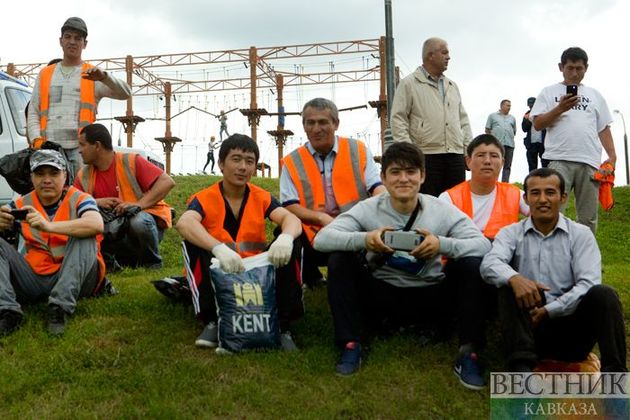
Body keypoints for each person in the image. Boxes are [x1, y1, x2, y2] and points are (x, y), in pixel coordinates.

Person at [313, 142, 492, 389]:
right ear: (384, 179)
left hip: (432, 294)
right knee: (339, 259)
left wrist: (440, 244)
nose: (404, 179)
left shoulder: (441, 210)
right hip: (382, 294)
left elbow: (483, 245)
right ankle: (351, 343)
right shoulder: (368, 208)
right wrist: (366, 239)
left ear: (423, 176)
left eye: (411, 172)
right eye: (395, 172)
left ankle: (468, 351)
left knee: (472, 264)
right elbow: (321, 240)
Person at [480, 168, 626, 372]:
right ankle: (521, 372)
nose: (542, 200)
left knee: (604, 294)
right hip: (528, 330)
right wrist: (514, 278)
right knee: (508, 285)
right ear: (526, 198)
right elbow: (489, 263)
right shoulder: (511, 233)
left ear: (563, 197)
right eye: (535, 193)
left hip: (572, 331)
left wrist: (550, 310)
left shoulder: (580, 235)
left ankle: (615, 375)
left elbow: (589, 283)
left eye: (550, 192)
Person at [176, 134, 304, 350]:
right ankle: (212, 320)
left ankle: (283, 326)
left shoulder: (261, 196)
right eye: (236, 159)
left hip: (256, 273)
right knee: (193, 241)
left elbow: (291, 219)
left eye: (249, 161)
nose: (243, 167)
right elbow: (184, 223)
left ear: (254, 167)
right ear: (221, 164)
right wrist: (217, 248)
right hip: (220, 271)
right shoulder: (204, 198)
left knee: (295, 241)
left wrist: (286, 237)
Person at [280, 97, 385, 287]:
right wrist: (321, 219)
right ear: (303, 125)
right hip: (313, 230)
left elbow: (376, 187)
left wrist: (383, 206)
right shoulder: (291, 161)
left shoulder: (358, 150)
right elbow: (289, 205)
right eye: (310, 123)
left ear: (336, 124)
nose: (316, 129)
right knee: (285, 231)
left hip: (354, 228)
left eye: (323, 122)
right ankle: (305, 281)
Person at [0, 150, 106, 336]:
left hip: (77, 278)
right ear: (31, 177)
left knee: (86, 234)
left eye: (54, 173)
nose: (46, 180)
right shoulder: (22, 203)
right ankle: (8, 312)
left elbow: (96, 224)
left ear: (65, 175)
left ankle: (59, 308)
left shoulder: (81, 198)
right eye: (40, 174)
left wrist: (48, 226)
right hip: (34, 277)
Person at [27, 17, 131, 182]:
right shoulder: (45, 74)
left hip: (82, 151)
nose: (72, 42)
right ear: (60, 41)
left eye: (78, 38)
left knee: (80, 198)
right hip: (49, 147)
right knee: (50, 196)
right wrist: (36, 140)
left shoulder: (92, 74)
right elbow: (33, 110)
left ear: (85, 43)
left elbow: (125, 93)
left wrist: (105, 77)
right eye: (68, 37)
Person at [530, 47, 616, 234]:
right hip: (559, 160)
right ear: (561, 67)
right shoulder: (548, 91)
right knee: (552, 212)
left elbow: (603, 128)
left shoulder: (595, 95)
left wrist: (612, 156)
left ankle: (585, 260)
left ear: (586, 68)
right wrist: (560, 108)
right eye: (570, 68)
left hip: (589, 162)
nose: (575, 73)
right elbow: (537, 124)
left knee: (588, 218)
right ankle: (549, 256)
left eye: (579, 68)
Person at [74, 123, 175, 270]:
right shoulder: (83, 175)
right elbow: (71, 203)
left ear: (97, 145)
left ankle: (152, 264)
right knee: (88, 224)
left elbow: (167, 182)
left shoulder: (131, 161)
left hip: (144, 226)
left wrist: (138, 205)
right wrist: (95, 202)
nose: (79, 150)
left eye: (82, 145)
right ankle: (112, 264)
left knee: (138, 221)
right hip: (116, 232)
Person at [390, 37, 473, 196]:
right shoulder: (409, 84)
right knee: (427, 206)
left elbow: (463, 120)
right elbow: (398, 119)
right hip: (426, 156)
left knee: (455, 206)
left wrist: (467, 151)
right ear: (430, 55)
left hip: (455, 156)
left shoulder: (452, 85)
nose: (448, 57)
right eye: (444, 53)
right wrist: (410, 153)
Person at [440, 134, 529, 240]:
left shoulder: (516, 195)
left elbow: (546, 217)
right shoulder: (449, 198)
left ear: (502, 162)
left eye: (494, 156)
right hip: (462, 254)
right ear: (468, 162)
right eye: (481, 155)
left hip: (506, 254)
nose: (487, 161)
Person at [485, 100, 516, 182]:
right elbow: (487, 129)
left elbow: (514, 131)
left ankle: (505, 184)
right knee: (494, 164)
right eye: (507, 105)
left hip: (510, 145)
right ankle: (492, 182)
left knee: (507, 166)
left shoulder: (512, 118)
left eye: (510, 106)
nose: (509, 107)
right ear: (502, 106)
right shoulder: (492, 116)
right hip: (497, 145)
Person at [522, 97, 547, 171]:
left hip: (543, 143)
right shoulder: (527, 114)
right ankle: (532, 182)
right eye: (530, 105)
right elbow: (524, 129)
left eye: (533, 105)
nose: (531, 106)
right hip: (531, 144)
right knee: (532, 166)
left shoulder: (543, 113)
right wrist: (528, 119)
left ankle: (545, 181)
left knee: (545, 165)